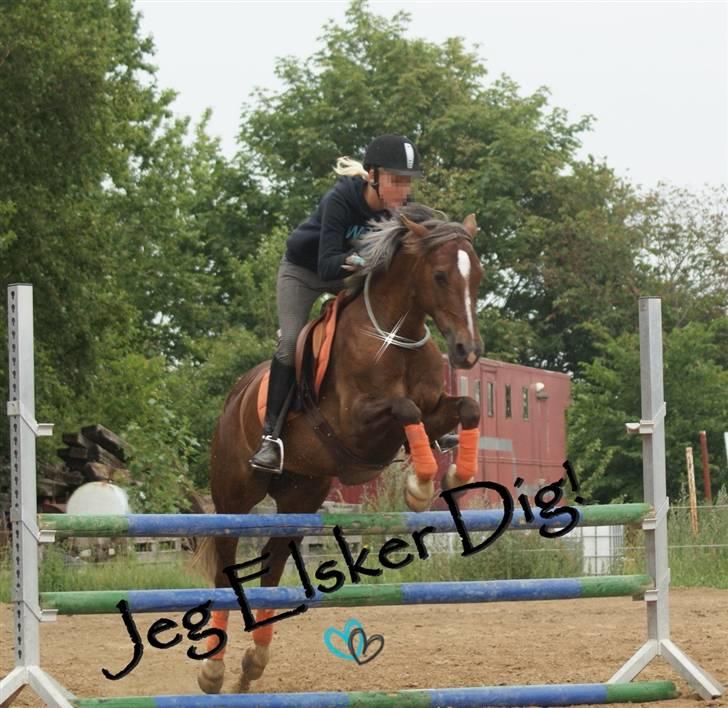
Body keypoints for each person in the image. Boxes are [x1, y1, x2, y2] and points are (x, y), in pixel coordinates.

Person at [250, 134, 423, 474]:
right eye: (396, 181)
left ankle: (421, 422)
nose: (403, 192)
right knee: (289, 343)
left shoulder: (398, 209)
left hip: (348, 274)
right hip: (304, 272)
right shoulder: (341, 200)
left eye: (408, 183)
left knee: (390, 326)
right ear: (372, 176)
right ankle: (270, 439)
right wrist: (366, 259)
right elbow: (329, 265)